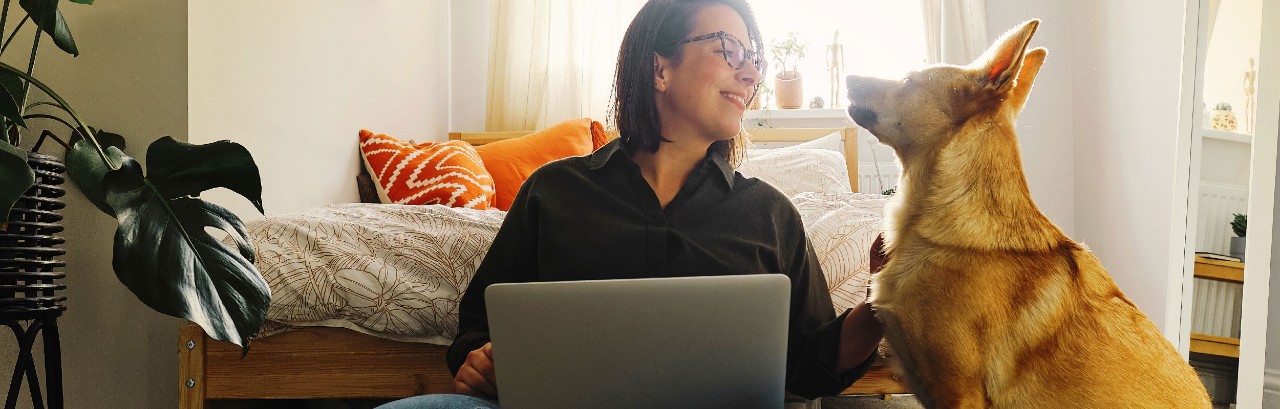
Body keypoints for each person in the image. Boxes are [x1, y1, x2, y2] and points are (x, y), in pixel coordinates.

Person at [378, 1, 884, 407]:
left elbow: (810, 366)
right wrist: (477, 362)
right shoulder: (552, 192)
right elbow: (476, 330)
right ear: (659, 68)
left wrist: (882, 305)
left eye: (753, 58)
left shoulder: (771, 215)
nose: (750, 73)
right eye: (729, 49)